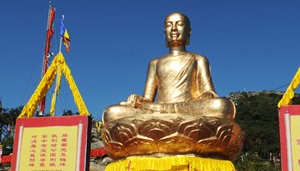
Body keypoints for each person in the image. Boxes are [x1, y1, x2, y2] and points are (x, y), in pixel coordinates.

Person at [102, 12, 242, 160]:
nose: (174, 29)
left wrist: (207, 95)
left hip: (190, 108)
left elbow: (209, 90)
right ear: (165, 32)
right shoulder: (155, 63)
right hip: (157, 110)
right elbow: (148, 98)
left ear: (188, 31)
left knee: (221, 106)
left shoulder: (198, 59)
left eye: (179, 24)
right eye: (169, 25)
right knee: (112, 113)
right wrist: (138, 100)